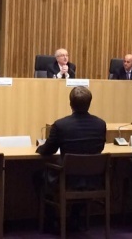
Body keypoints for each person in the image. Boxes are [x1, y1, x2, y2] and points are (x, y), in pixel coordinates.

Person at [35, 86, 106, 231]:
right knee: (80, 173)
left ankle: (52, 219)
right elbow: (100, 148)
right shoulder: (101, 124)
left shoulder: (61, 125)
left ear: (70, 104)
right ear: (89, 103)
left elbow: (48, 150)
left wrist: (39, 147)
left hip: (67, 179)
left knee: (37, 176)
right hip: (94, 179)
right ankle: (75, 217)